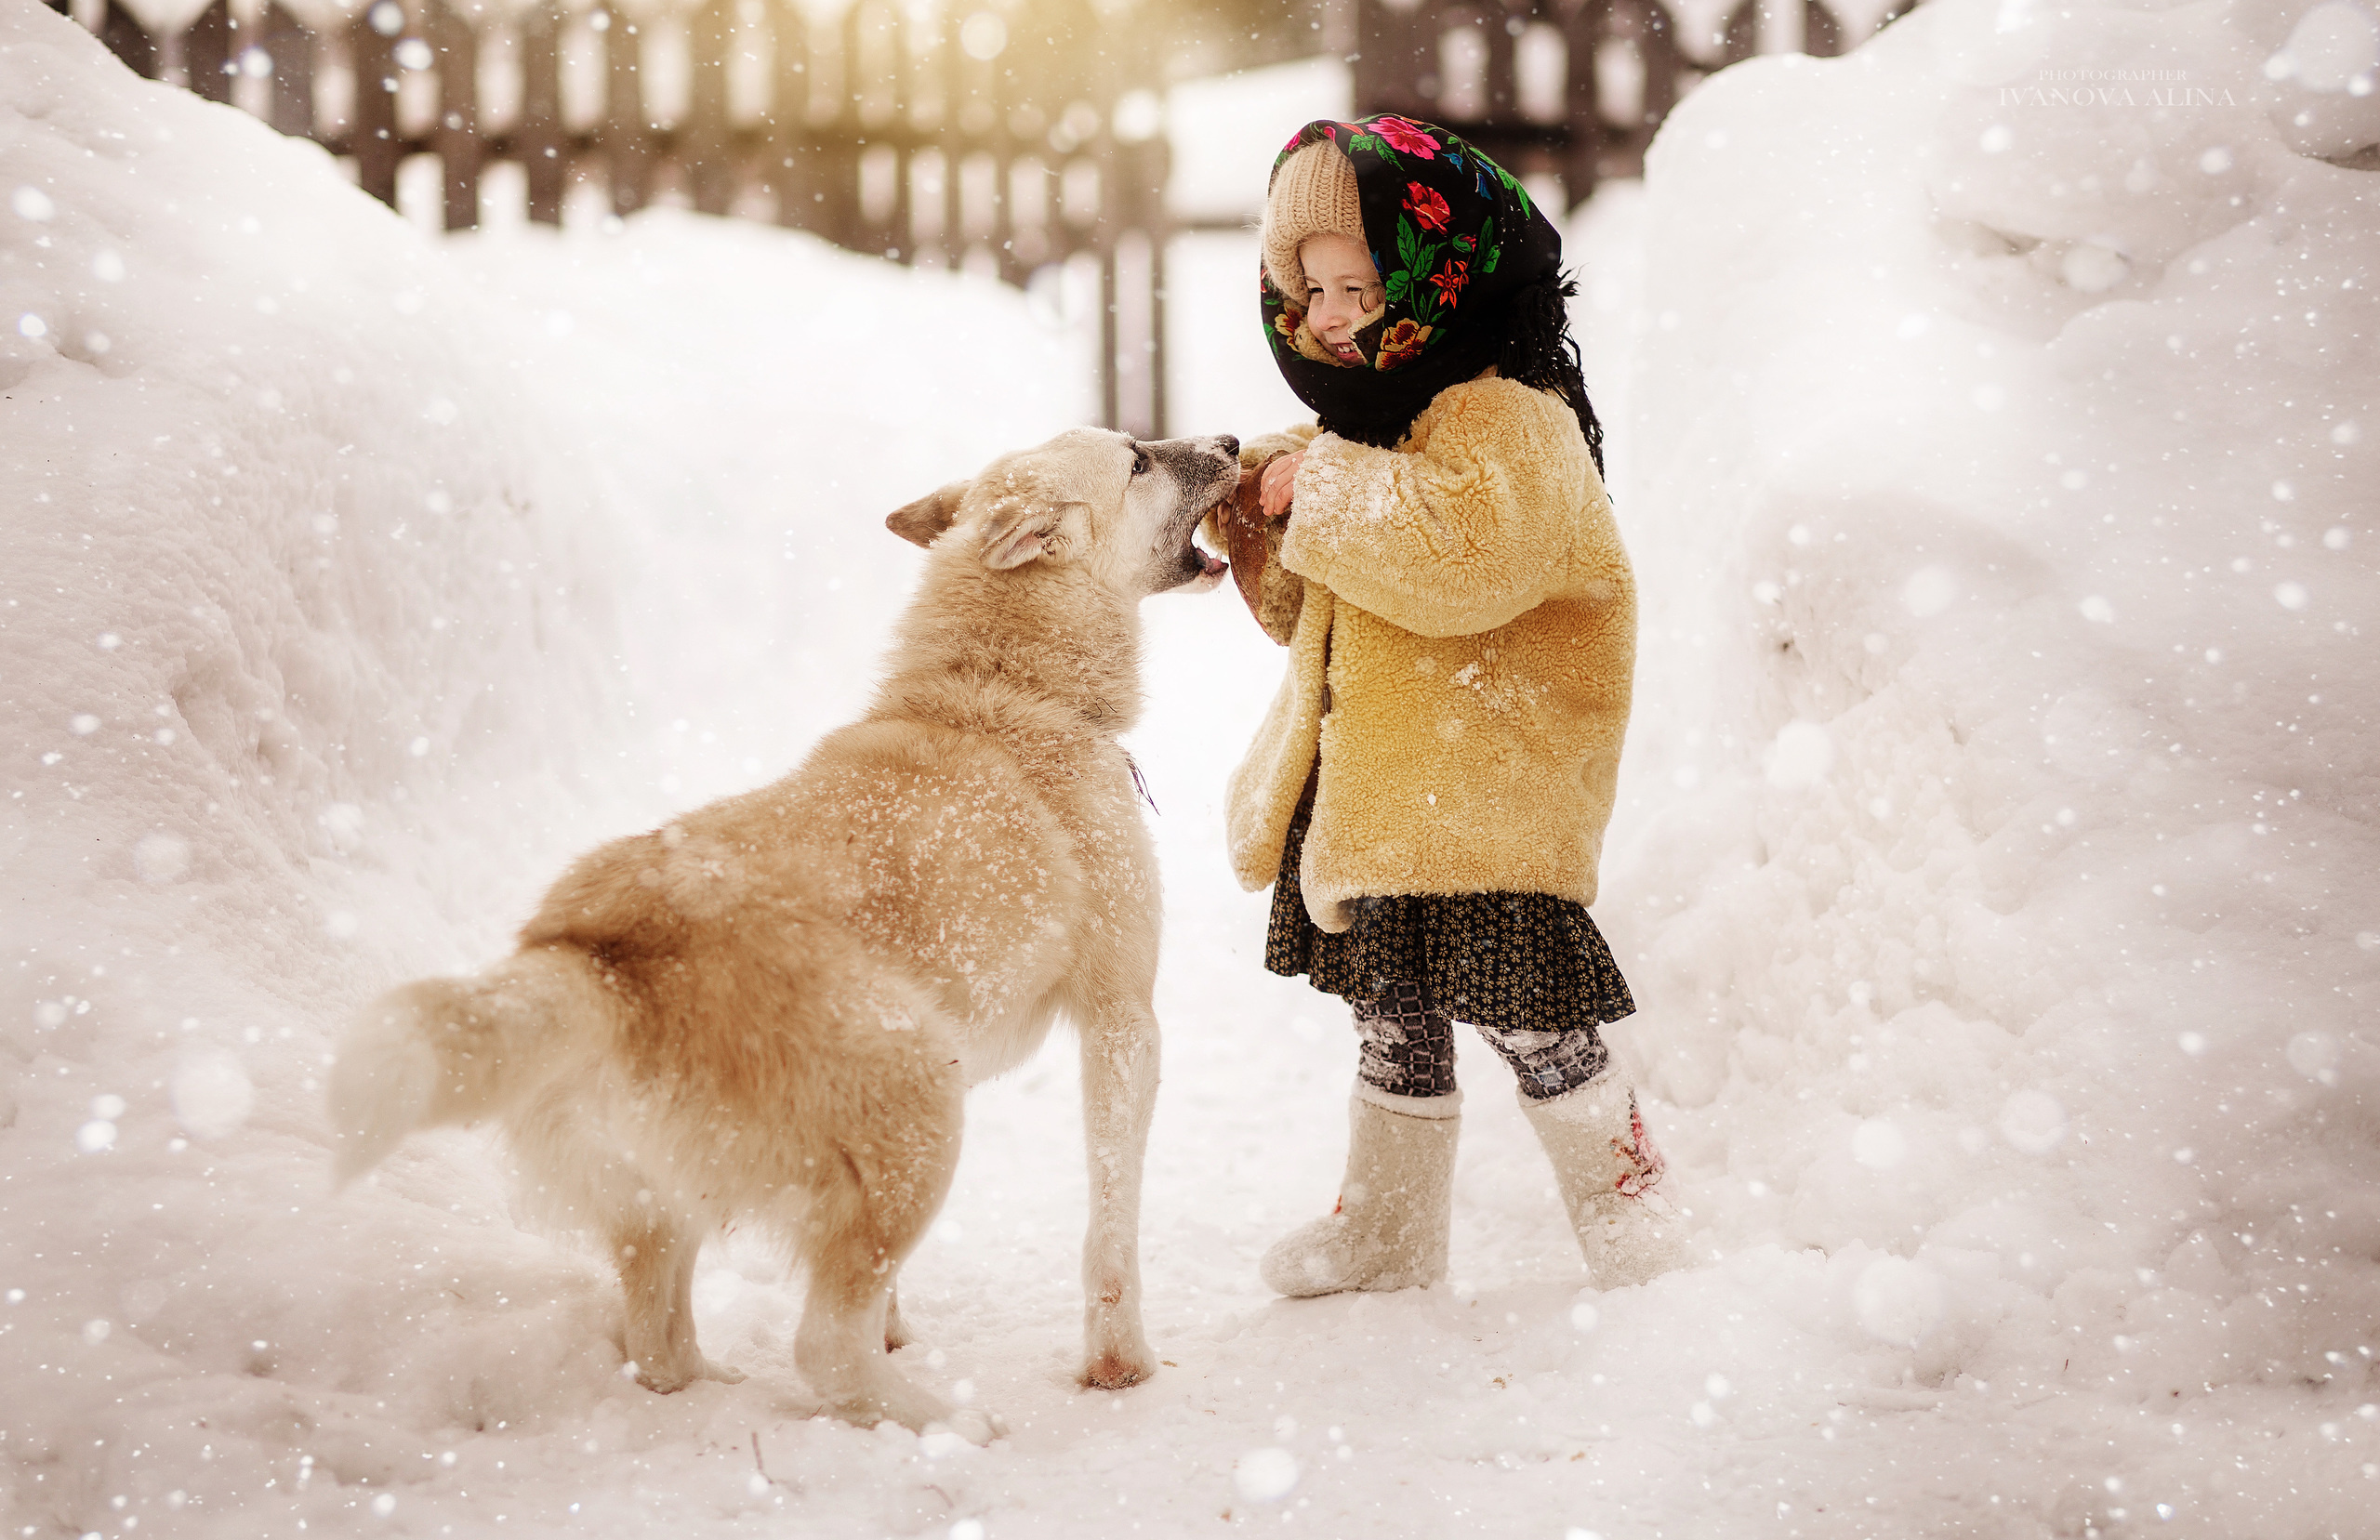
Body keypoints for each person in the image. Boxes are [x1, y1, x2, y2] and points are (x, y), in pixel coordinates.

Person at [1210, 115, 1682, 1297]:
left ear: (1439, 278)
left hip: (1488, 794)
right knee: (1391, 1013)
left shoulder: (1511, 417)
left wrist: (1321, 488)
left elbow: (1465, 562)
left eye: (1356, 284)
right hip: (1389, 802)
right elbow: (1327, 611)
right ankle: (1386, 1227)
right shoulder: (1380, 424)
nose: (1322, 313)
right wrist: (1271, 511)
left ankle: (1633, 1212)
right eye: (1307, 284)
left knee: (1533, 1022)